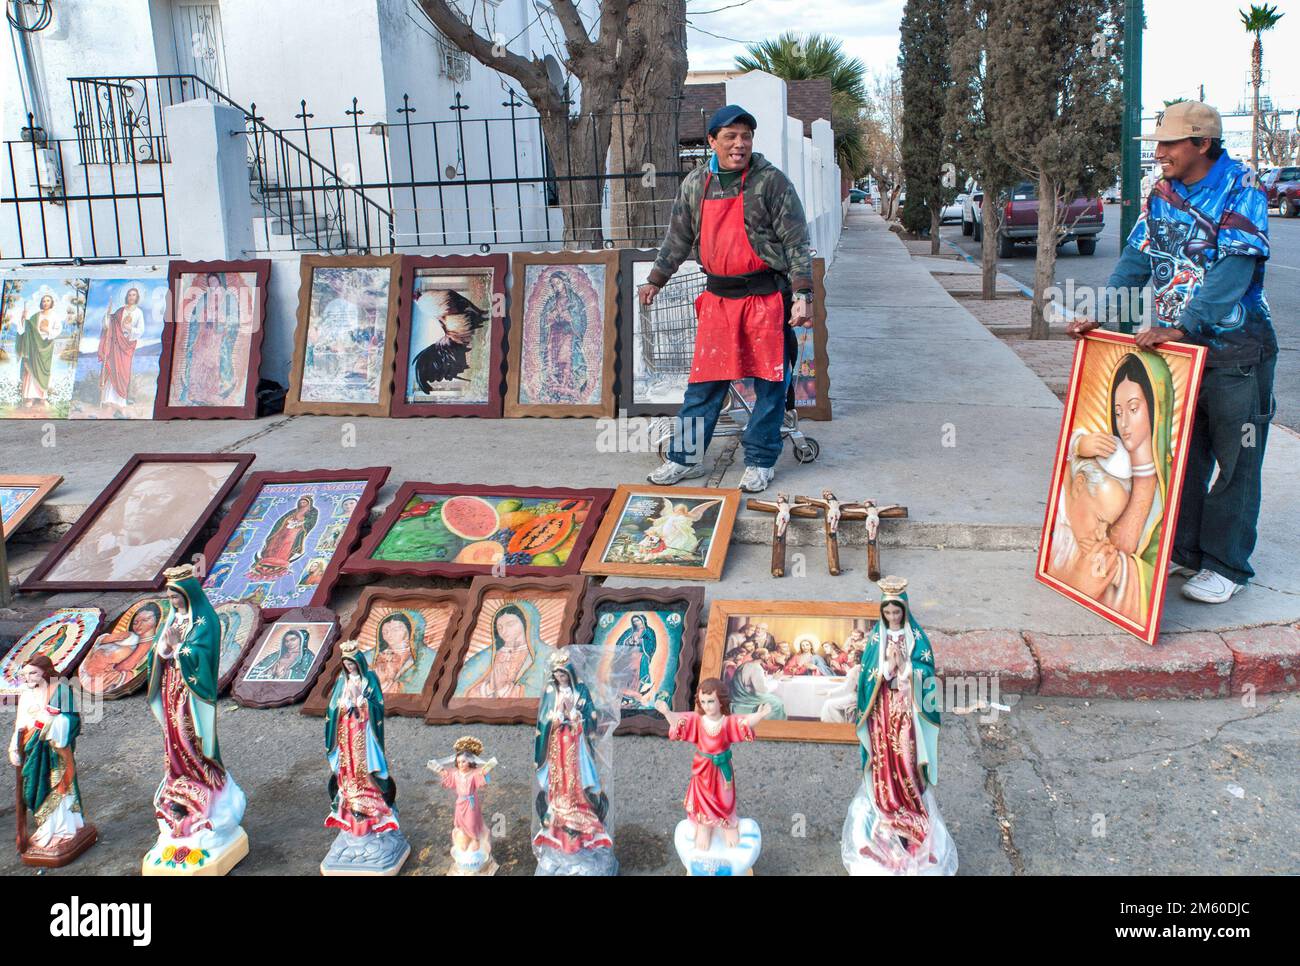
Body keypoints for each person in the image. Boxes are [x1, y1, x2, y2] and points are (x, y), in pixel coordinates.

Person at [1068, 100, 1276, 604]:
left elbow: (1234, 273)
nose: (1158, 154)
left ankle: (1227, 565)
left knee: (1237, 460)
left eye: (1168, 145)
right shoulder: (1161, 194)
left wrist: (1183, 325)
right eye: (1156, 145)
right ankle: (1185, 552)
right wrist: (1105, 314)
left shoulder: (1240, 189)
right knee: (1185, 456)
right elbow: (1137, 257)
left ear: (1202, 144)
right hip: (1179, 356)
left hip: (1235, 352)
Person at [641, 104, 815, 493]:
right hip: (719, 301)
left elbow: (797, 242)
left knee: (770, 384)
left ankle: (759, 460)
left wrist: (802, 293)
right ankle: (684, 459)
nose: (739, 144)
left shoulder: (771, 182)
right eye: (730, 137)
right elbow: (678, 238)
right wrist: (656, 278)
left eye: (746, 136)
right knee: (704, 385)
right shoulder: (695, 184)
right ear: (712, 141)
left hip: (765, 299)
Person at [324, 642, 399, 836]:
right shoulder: (343, 680)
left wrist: (362, 702)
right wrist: (343, 703)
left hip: (363, 729)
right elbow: (333, 706)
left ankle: (370, 798)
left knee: (364, 764)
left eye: (352, 664)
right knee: (349, 764)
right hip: (346, 730)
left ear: (359, 663)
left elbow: (378, 705)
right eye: (346, 665)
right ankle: (350, 798)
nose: (350, 668)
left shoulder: (370, 679)